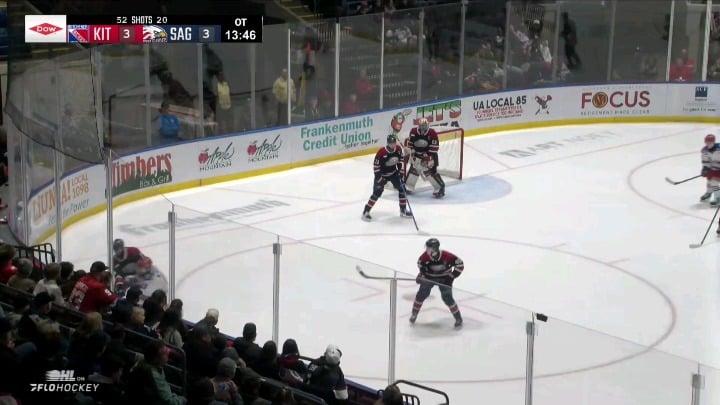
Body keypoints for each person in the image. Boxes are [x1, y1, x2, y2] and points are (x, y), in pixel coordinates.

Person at [410, 238, 464, 328]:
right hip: (429, 278)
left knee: (447, 298)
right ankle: (414, 314)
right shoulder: (423, 258)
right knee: (421, 295)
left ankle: (458, 318)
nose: (427, 250)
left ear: (435, 249)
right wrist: (422, 276)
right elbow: (422, 268)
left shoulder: (448, 256)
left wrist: (451, 276)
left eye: (429, 248)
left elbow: (460, 264)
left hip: (445, 279)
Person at [361, 134, 412, 221]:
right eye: (391, 143)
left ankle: (403, 210)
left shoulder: (398, 149)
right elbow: (376, 167)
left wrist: (400, 172)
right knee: (377, 192)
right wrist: (380, 179)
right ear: (388, 143)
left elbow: (400, 161)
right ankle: (366, 211)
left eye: (394, 143)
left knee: (402, 189)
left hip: (393, 173)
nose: (393, 145)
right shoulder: (381, 152)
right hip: (382, 175)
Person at [403, 118, 445, 198]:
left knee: (430, 172)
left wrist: (427, 156)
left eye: (424, 126)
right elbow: (410, 143)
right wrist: (410, 150)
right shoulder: (413, 131)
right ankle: (409, 186)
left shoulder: (432, 133)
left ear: (427, 125)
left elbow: (435, 147)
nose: (423, 128)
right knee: (414, 170)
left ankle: (440, 188)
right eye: (421, 126)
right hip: (417, 156)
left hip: (430, 156)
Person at [701, 134, 720, 205]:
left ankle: (718, 197)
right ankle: (709, 192)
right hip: (714, 169)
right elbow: (706, 162)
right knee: (709, 181)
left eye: (710, 141)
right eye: (707, 141)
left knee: (714, 182)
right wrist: (705, 169)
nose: (708, 143)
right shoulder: (704, 151)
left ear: (713, 141)